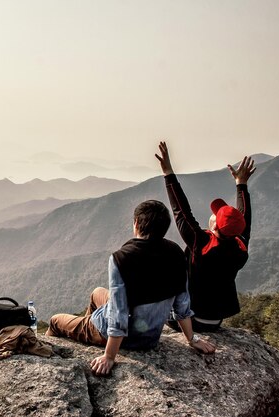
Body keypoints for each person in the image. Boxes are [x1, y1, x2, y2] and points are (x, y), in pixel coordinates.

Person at [45, 200, 215, 377]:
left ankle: (66, 354)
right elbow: (182, 303)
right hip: (150, 337)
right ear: (164, 227)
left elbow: (119, 313)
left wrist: (109, 356)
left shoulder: (122, 259)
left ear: (136, 223)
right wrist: (192, 339)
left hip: (127, 337)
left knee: (55, 321)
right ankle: (87, 332)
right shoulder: (176, 253)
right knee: (97, 292)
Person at [155, 141, 255, 332]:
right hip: (214, 321)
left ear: (215, 225)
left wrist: (168, 173)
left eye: (216, 215)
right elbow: (244, 219)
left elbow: (181, 211)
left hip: (188, 320)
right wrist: (241, 184)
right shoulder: (239, 246)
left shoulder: (201, 244)